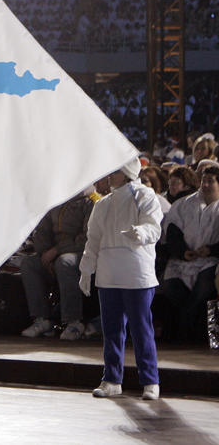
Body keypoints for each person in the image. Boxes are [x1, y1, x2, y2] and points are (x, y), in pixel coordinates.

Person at [79, 157, 163, 401]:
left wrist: (141, 232)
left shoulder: (145, 196)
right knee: (112, 330)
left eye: (114, 171)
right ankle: (112, 379)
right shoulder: (103, 204)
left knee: (140, 329)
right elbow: (93, 239)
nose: (110, 175)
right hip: (109, 275)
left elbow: (154, 227)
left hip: (137, 274)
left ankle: (150, 380)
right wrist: (87, 269)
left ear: (126, 172)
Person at [20, 189, 97, 340]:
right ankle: (42, 320)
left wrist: (56, 251)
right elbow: (42, 231)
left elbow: (86, 238)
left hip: (82, 253)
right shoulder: (56, 202)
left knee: (65, 262)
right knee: (29, 264)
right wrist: (44, 253)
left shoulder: (91, 202)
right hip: (55, 254)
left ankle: (74, 321)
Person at [158, 164, 219, 342]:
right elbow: (172, 233)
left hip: (210, 261)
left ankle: (187, 332)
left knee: (202, 291)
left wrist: (211, 249)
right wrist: (183, 252)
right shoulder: (184, 204)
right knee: (171, 288)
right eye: (204, 181)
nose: (206, 185)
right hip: (183, 260)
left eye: (210, 181)